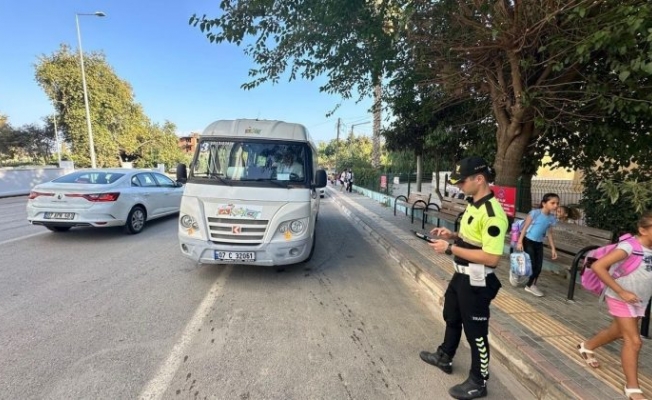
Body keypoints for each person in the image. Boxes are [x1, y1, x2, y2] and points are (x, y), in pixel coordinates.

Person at [419, 156, 508, 400]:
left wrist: (450, 249)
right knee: (451, 316)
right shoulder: (474, 204)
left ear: (479, 179)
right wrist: (453, 235)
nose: (459, 187)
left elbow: (492, 257)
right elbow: (473, 237)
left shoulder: (493, 214)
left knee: (476, 333)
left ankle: (479, 382)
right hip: (461, 276)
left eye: (462, 182)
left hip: (478, 282)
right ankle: (445, 356)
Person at [578, 210, 652, 400]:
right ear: (643, 230)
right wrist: (621, 292)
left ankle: (586, 346)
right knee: (634, 341)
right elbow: (598, 266)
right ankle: (633, 387)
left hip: (639, 300)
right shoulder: (629, 247)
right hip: (620, 297)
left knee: (618, 332)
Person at [516, 193, 560, 297]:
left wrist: (553, 249)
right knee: (532, 264)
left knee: (538, 266)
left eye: (557, 203)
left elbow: (549, 233)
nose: (555, 205)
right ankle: (517, 273)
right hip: (528, 241)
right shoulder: (535, 213)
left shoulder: (552, 218)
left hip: (539, 243)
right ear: (544, 203)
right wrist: (520, 241)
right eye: (552, 203)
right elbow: (525, 228)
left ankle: (531, 285)